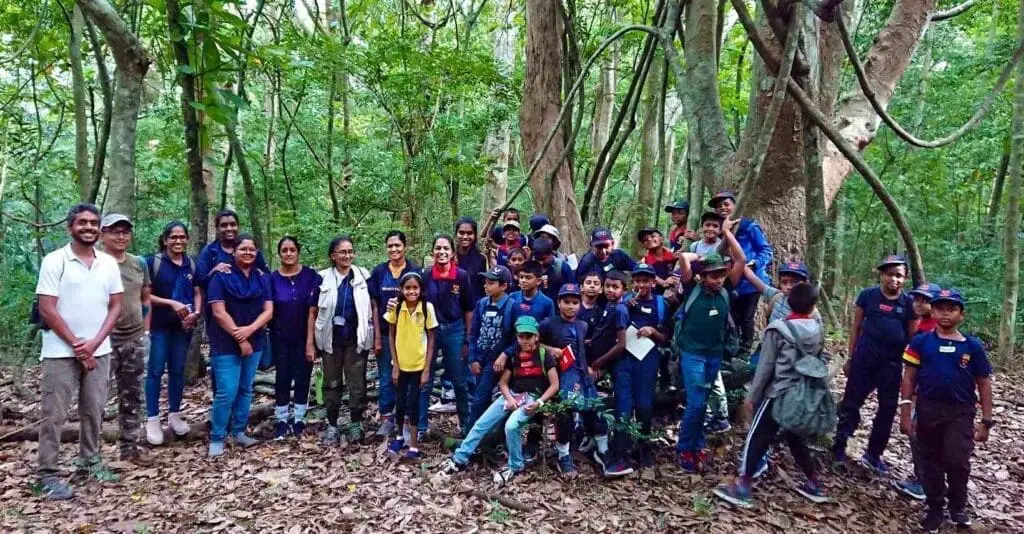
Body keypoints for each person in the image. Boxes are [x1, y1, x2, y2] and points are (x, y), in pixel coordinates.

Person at [713, 282, 831, 508]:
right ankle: (814, 483)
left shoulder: (777, 329)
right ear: (813, 306)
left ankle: (743, 486)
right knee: (796, 438)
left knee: (757, 438)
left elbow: (765, 366)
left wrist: (752, 396)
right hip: (802, 394)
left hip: (777, 394)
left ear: (788, 303)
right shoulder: (817, 328)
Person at [35, 203, 124, 500]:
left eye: (93, 223)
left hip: (100, 350)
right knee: (54, 414)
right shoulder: (55, 261)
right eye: (82, 222)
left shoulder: (108, 263)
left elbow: (116, 305)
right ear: (70, 227)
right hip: (59, 352)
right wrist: (77, 345)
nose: (88, 227)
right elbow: (47, 308)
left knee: (94, 409)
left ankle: (89, 461)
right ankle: (47, 474)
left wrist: (95, 343)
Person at [899, 289, 994, 533]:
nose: (945, 313)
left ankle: (958, 506)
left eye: (952, 309)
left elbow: (984, 382)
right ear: (933, 310)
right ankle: (934, 509)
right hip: (928, 409)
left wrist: (986, 420)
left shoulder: (972, 346)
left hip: (960, 412)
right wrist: (906, 410)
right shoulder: (921, 341)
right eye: (940, 308)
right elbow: (909, 377)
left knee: (957, 459)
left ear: (961, 314)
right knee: (930, 461)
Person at [439, 316, 560, 486]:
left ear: (536, 336)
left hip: (532, 398)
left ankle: (515, 465)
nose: (525, 341)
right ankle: (460, 458)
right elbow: (503, 383)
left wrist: (539, 403)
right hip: (511, 395)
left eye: (528, 336)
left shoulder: (543, 355)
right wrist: (510, 399)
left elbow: (554, 385)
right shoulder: (515, 355)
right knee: (482, 423)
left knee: (511, 426)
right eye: (521, 336)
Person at [832, 254, 919, 475]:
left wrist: (913, 371)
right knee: (851, 402)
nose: (894, 280)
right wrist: (850, 358)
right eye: (890, 274)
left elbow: (912, 339)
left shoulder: (908, 304)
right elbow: (856, 328)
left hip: (891, 365)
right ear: (881, 275)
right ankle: (839, 448)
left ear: (905, 278)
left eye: (899, 275)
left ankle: (873, 454)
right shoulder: (868, 296)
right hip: (864, 360)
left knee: (887, 409)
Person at [673, 228, 747, 474]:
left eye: (721, 275)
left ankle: (698, 443)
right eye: (712, 276)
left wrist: (727, 233)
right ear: (703, 276)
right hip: (691, 353)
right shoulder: (691, 289)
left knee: (704, 402)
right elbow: (683, 258)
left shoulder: (726, 292)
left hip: (713, 355)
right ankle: (685, 448)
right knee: (695, 403)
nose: (718, 279)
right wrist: (701, 260)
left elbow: (742, 260)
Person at [206, 234, 274, 457]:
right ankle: (217, 436)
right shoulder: (221, 276)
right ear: (233, 252)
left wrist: (250, 331)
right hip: (225, 343)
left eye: (252, 250)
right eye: (243, 249)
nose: (247, 253)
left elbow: (269, 311)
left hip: (255, 341)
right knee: (226, 391)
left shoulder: (262, 278)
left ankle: (238, 431)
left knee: (245, 388)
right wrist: (240, 337)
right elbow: (218, 311)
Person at [100, 214, 154, 467]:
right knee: (96, 398)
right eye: (114, 231)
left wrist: (145, 331)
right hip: (103, 341)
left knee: (132, 396)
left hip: (134, 338)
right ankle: (91, 454)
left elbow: (146, 298)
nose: (120, 236)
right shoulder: (96, 263)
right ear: (103, 234)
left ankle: (129, 448)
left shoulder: (138, 263)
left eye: (125, 231)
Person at [313, 236, 374, 446]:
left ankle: (356, 423)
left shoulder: (363, 276)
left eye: (350, 251)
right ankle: (332, 424)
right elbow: (313, 311)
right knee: (331, 383)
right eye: (342, 252)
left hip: (356, 339)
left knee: (357, 383)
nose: (347, 255)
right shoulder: (321, 278)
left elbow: (372, 305)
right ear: (333, 256)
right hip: (330, 340)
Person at [145, 221, 202, 445]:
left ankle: (175, 414)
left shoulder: (191, 265)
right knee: (155, 370)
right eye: (173, 237)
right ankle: (152, 418)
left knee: (177, 370)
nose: (178, 241)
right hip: (159, 326)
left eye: (182, 237)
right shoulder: (154, 263)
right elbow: (145, 296)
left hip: (183, 328)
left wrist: (196, 313)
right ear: (166, 239)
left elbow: (198, 292)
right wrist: (171, 303)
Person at [611, 264, 670, 472]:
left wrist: (653, 331)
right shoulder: (623, 303)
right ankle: (620, 451)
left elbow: (665, 339)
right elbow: (612, 328)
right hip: (624, 360)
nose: (641, 284)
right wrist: (624, 307)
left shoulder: (661, 305)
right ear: (632, 283)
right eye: (638, 280)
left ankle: (644, 446)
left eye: (646, 280)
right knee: (623, 404)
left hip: (648, 359)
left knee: (645, 404)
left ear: (654, 283)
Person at [369, 230, 420, 440]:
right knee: (386, 376)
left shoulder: (414, 269)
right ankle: (386, 418)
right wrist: (377, 337)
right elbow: (374, 304)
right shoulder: (380, 272)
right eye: (390, 246)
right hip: (385, 330)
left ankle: (407, 419)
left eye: (398, 245)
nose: (394, 249)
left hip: (410, 334)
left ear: (404, 247)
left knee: (408, 376)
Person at [710, 191, 774, 357]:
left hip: (751, 281)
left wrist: (754, 264)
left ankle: (745, 351)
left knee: (747, 317)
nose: (722, 208)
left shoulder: (749, 226)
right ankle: (733, 349)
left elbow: (766, 250)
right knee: (733, 317)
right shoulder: (718, 229)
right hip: (729, 281)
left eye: (726, 204)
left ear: (734, 205)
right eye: (719, 206)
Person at [269, 237, 322, 439]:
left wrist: (311, 342)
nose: (288, 253)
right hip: (279, 336)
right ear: (279, 253)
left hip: (304, 336)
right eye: (284, 250)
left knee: (302, 377)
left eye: (292, 249)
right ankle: (282, 419)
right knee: (282, 378)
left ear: (298, 252)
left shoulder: (310, 276)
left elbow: (314, 309)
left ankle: (299, 418)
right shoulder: (272, 279)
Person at [421, 235, 474, 435]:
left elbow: (468, 308)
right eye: (438, 248)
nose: (441, 252)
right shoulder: (426, 276)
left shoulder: (461, 275)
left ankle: (465, 422)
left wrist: (468, 338)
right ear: (433, 252)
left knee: (459, 379)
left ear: (452, 252)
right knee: (425, 376)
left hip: (455, 328)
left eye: (446, 248)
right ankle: (420, 425)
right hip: (431, 330)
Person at [894, 281, 941, 500]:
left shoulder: (935, 329)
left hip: (930, 392)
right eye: (917, 299)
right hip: (918, 389)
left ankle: (927, 483)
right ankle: (923, 480)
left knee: (923, 436)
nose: (920, 304)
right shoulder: (919, 326)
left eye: (926, 300)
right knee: (917, 434)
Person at [384, 272, 438, 460]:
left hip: (418, 365)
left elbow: (431, 337)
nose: (411, 291)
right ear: (401, 289)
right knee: (399, 403)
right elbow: (391, 335)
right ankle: (399, 437)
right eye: (407, 288)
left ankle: (414, 445)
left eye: (415, 288)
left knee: (414, 404)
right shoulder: (397, 307)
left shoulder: (426, 307)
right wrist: (395, 365)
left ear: (421, 289)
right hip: (401, 364)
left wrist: (426, 369)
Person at [586, 270, 633, 478]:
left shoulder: (620, 310)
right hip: (601, 361)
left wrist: (599, 363)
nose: (611, 291)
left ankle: (617, 453)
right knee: (590, 399)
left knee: (622, 404)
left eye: (616, 287)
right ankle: (593, 440)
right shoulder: (607, 306)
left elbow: (621, 344)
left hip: (615, 363)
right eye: (608, 287)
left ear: (624, 289)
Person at [467, 266, 517, 427]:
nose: (486, 285)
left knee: (480, 398)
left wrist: (505, 355)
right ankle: (484, 435)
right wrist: (472, 358)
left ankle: (468, 437)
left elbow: (518, 338)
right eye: (485, 282)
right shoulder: (482, 304)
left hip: (497, 360)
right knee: (480, 396)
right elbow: (473, 332)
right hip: (480, 356)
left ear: (503, 286)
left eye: (491, 282)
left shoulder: (512, 307)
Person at [195, 209, 270, 292]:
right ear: (217, 228)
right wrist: (214, 271)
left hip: (250, 298)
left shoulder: (250, 250)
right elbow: (199, 282)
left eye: (233, 224)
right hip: (218, 299)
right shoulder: (210, 251)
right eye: (224, 225)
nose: (229, 228)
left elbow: (267, 276)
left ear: (238, 226)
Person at [637, 227, 679, 295]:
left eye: (653, 236)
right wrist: (663, 282)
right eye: (645, 240)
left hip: (675, 294)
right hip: (654, 296)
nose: (649, 239)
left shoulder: (673, 256)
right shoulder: (644, 263)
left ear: (661, 238)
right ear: (644, 245)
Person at [455, 217, 488, 302]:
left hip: (475, 306)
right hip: (454, 306)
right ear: (456, 234)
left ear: (475, 235)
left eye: (469, 233)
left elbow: (484, 287)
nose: (465, 237)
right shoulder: (450, 257)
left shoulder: (481, 258)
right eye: (461, 233)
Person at [531, 237, 574, 301]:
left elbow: (572, 289)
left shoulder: (562, 267)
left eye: (543, 259)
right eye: (538, 259)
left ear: (552, 254)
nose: (540, 262)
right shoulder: (531, 266)